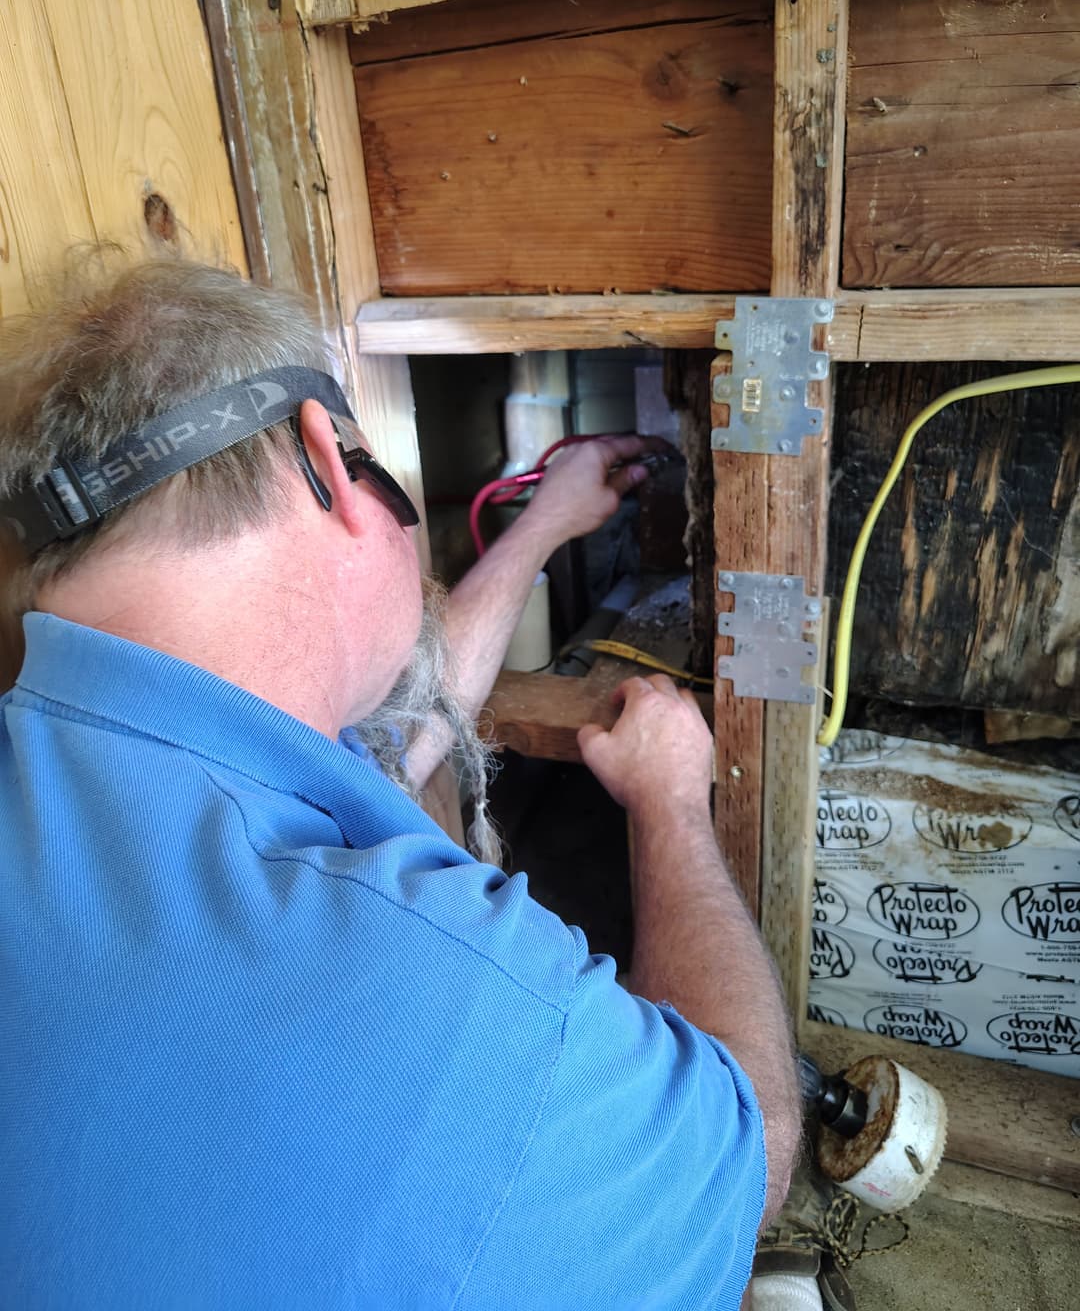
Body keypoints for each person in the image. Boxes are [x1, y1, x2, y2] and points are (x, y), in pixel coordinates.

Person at [0, 255, 800, 1310]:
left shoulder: (89, 764)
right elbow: (755, 1150)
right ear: (329, 453)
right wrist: (671, 806)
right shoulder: (482, 1009)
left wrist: (545, 525)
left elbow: (399, 736)